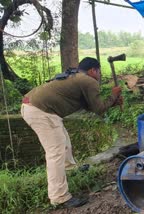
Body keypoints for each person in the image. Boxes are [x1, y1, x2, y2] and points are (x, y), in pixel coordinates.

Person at [20, 57, 122, 208]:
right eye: (99, 71)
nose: (100, 75)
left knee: (63, 139)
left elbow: (92, 106)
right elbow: (99, 109)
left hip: (34, 106)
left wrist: (113, 103)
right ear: (93, 70)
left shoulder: (75, 77)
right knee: (56, 152)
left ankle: (70, 168)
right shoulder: (89, 81)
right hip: (41, 111)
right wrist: (114, 95)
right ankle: (59, 197)